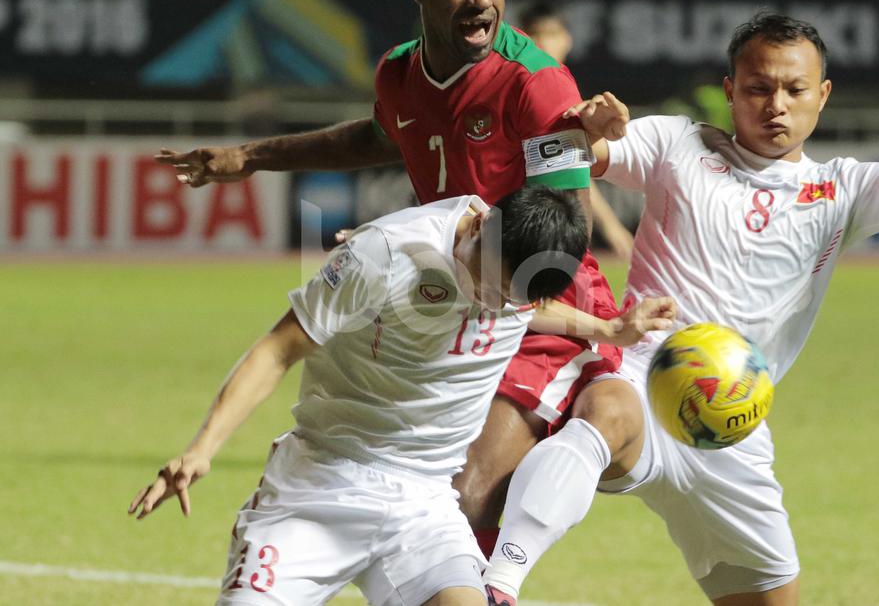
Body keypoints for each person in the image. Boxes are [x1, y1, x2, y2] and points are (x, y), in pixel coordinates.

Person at [152, 0, 671, 595]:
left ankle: (565, 479)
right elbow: (376, 137)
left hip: (529, 290)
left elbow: (559, 234)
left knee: (467, 488)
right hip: (447, 284)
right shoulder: (400, 72)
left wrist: (577, 151)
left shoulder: (535, 84)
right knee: (392, 454)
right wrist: (253, 157)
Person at [479, 13, 879, 605]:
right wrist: (586, 132)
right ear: (731, 89)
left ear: (823, 94)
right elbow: (554, 151)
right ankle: (500, 584)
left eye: (795, 89)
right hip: (645, 382)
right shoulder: (677, 144)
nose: (776, 106)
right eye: (759, 88)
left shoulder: (842, 189)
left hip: (734, 426)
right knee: (604, 407)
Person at [128, 187, 591, 605]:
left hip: (425, 502)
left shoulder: (521, 285)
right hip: (320, 482)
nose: (486, 301)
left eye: (504, 297)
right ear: (478, 224)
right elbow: (278, 349)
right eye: (485, 280)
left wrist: (608, 329)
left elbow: (530, 305)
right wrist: (202, 449)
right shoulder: (385, 252)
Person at [518, 0, 636, 261]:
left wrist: (611, 226)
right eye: (534, 34)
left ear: (567, 39)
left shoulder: (567, 93)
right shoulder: (518, 91)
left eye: (551, 34)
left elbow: (571, 164)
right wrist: (612, 227)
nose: (543, 43)